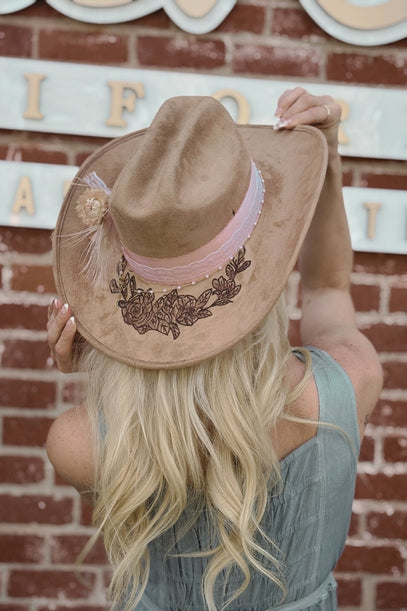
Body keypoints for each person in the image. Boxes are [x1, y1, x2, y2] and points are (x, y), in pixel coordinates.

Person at [46, 88, 382, 611]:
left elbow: (150, 442)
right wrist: (329, 160)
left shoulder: (78, 444)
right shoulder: (347, 384)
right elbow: (328, 287)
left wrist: (101, 364)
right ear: (263, 268)